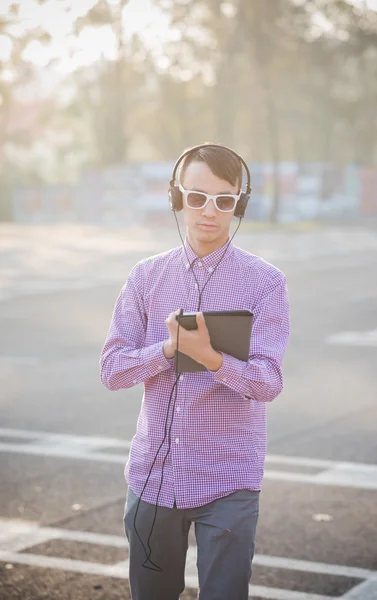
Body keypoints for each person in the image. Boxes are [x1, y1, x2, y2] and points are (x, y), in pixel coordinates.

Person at [99, 143, 290, 600]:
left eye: (224, 200)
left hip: (228, 478)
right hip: (153, 475)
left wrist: (211, 359)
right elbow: (111, 370)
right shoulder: (146, 277)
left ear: (239, 205)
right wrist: (168, 350)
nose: (210, 210)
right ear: (176, 198)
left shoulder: (265, 282)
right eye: (197, 196)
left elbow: (268, 382)